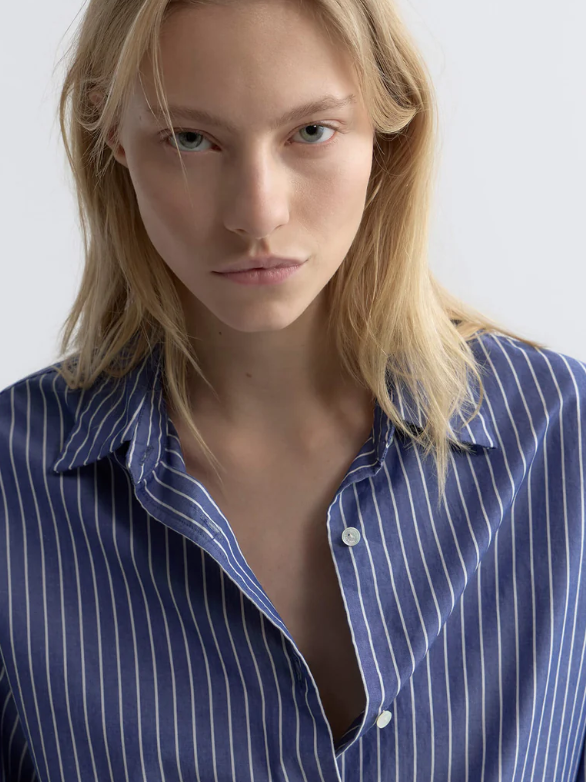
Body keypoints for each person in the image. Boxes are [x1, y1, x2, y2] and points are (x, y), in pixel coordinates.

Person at [1, 0, 585, 778]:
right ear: (114, 141)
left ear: (388, 128)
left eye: (310, 131)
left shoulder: (563, 440)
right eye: (190, 138)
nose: (257, 212)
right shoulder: (14, 486)